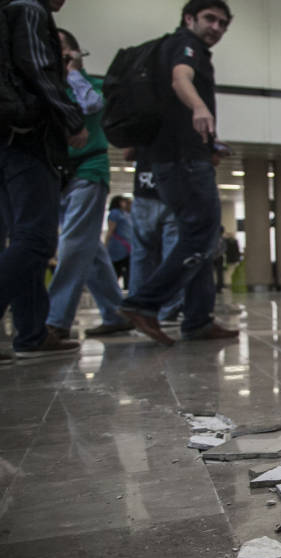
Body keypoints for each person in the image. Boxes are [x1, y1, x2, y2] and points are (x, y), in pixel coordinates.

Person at [119, 0, 238, 345]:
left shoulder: (170, 48)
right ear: (189, 19)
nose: (216, 27)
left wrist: (209, 141)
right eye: (209, 19)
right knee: (200, 235)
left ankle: (198, 319)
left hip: (176, 157)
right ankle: (144, 303)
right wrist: (200, 105)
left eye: (223, 23)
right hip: (183, 161)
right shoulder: (185, 46)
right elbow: (180, 77)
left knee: (197, 236)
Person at [0, 0, 86, 361]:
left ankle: (32, 333)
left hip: (6, 140)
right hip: (27, 138)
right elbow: (37, 69)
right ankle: (32, 333)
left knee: (22, 238)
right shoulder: (30, 9)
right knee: (36, 239)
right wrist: (71, 119)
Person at [44, 28, 133, 340]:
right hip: (56, 174)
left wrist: (73, 71)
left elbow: (92, 107)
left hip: (89, 171)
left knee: (71, 244)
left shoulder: (90, 86)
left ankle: (55, 321)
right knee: (87, 249)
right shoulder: (44, 87)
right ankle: (116, 312)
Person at [127, 146, 182, 323]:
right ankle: (168, 309)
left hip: (144, 188)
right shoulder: (182, 120)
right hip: (173, 189)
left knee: (141, 256)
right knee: (172, 256)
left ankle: (138, 308)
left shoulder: (141, 120)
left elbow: (128, 153)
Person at [106, 195, 133, 289]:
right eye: (122, 201)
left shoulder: (126, 214)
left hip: (128, 246)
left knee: (128, 269)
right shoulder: (115, 213)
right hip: (117, 245)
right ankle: (111, 287)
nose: (124, 203)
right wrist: (105, 244)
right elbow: (110, 230)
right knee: (116, 269)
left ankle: (127, 287)